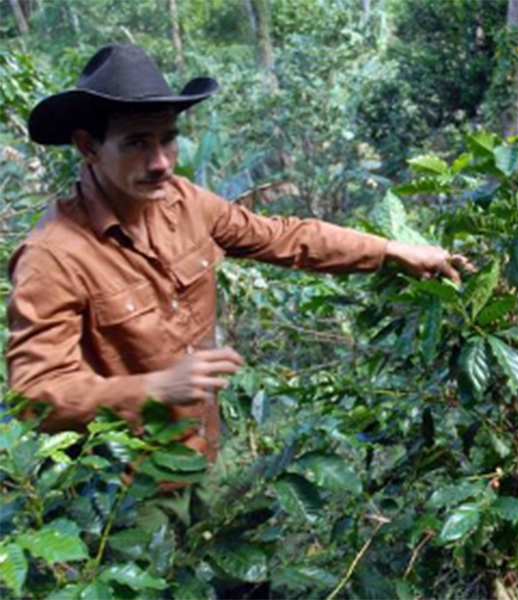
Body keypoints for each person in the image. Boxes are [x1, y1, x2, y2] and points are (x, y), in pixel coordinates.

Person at [6, 44, 470, 461]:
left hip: (201, 446)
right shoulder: (54, 256)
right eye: (136, 143)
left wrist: (392, 249)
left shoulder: (185, 203)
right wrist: (153, 389)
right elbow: (34, 397)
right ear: (88, 146)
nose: (161, 162)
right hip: (123, 483)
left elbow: (285, 237)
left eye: (167, 138)